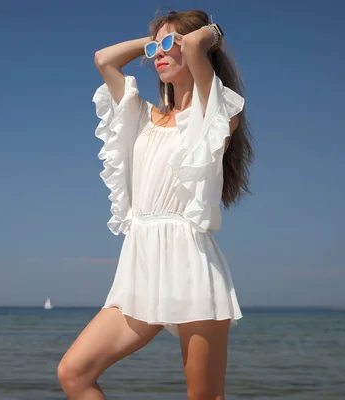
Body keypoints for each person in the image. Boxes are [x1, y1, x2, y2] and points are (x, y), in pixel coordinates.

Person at [57, 9, 254, 400]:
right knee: (73, 374)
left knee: (204, 397)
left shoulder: (213, 115)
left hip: (190, 264)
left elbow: (199, 52)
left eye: (170, 44)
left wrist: (202, 36)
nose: (159, 54)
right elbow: (104, 59)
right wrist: (152, 43)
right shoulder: (143, 117)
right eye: (156, 47)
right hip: (140, 266)